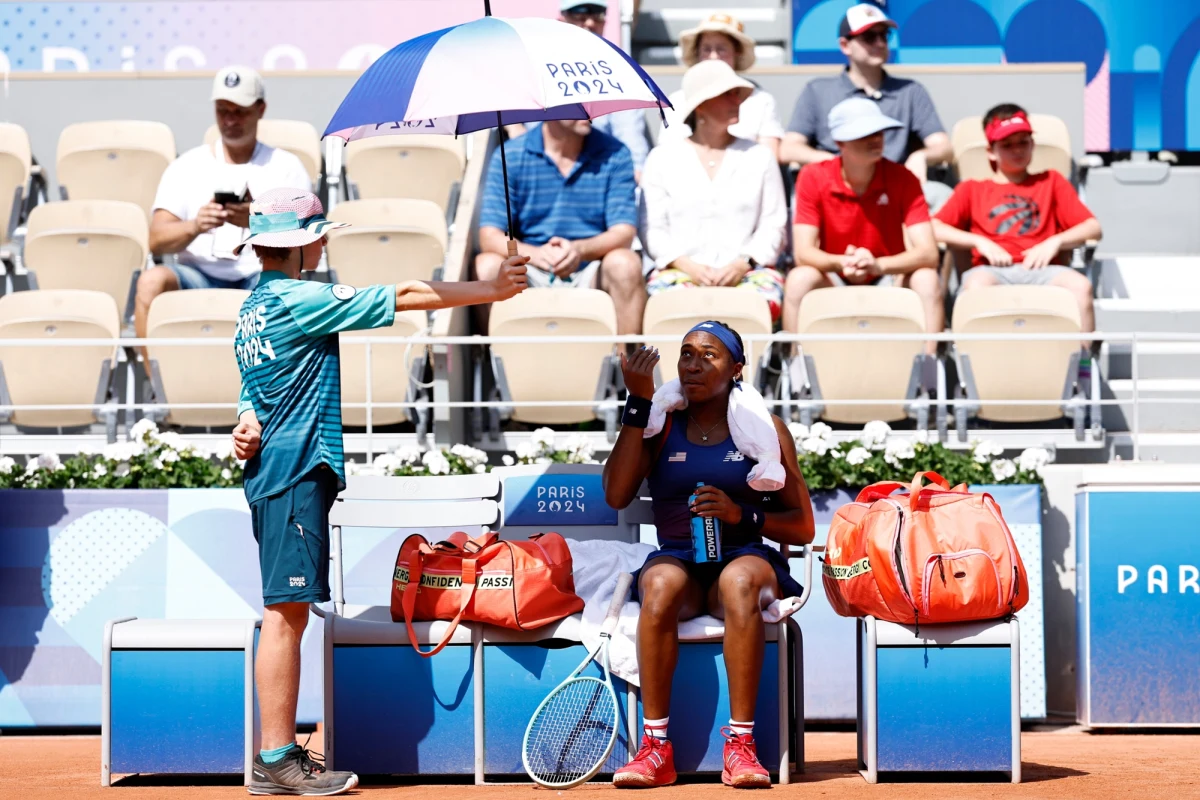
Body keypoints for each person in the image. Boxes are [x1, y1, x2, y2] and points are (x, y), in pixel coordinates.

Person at [230, 188, 527, 796]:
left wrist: (246, 417)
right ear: (302, 242)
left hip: (276, 470)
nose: (325, 240)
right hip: (294, 473)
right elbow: (409, 295)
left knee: (286, 613)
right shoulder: (302, 297)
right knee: (285, 616)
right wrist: (491, 292)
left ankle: (278, 755)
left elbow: (252, 382)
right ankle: (275, 759)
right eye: (319, 232)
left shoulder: (254, 303)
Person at [603, 322, 814, 789]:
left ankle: (741, 746)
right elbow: (617, 494)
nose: (693, 364)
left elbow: (802, 527)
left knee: (738, 582)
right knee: (658, 585)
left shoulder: (764, 428)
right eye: (686, 354)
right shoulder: (660, 423)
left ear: (736, 369)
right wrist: (638, 402)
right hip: (679, 560)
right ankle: (655, 747)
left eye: (709, 355)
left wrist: (743, 515)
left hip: (745, 556)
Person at [137, 65, 310, 368]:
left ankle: (270, 398)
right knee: (151, 281)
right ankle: (160, 394)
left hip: (259, 275)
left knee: (281, 286)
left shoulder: (286, 166)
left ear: (260, 110)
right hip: (197, 276)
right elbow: (156, 241)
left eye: (240, 111)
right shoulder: (186, 166)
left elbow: (307, 241)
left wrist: (256, 220)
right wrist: (195, 226)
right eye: (223, 111)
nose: (230, 120)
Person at [783, 97, 941, 347]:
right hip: (835, 274)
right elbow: (803, 253)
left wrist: (877, 265)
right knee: (799, 279)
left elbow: (929, 253)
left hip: (888, 276)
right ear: (839, 142)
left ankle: (929, 373)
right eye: (864, 133)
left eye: (878, 131)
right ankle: (795, 372)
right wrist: (841, 262)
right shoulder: (813, 177)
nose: (875, 139)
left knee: (927, 279)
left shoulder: (903, 178)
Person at [933, 104, 1101, 335]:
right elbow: (933, 228)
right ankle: (977, 366)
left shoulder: (1052, 181)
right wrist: (978, 241)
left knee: (1080, 286)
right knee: (975, 287)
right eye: (1007, 145)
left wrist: (1056, 242)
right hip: (991, 270)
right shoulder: (971, 189)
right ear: (991, 151)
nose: (1018, 151)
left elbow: (1092, 228)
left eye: (1023, 142)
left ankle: (1081, 365)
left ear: (1033, 144)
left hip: (1044, 271)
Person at [640, 61, 787, 322]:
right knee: (664, 305)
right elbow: (652, 228)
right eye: (726, 94)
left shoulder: (760, 156)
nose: (737, 101)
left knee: (761, 303)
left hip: (748, 272)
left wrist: (742, 263)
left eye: (737, 94)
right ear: (700, 105)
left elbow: (773, 224)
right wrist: (688, 266)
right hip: (679, 271)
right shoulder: (662, 158)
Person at [474, 119, 645, 334]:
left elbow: (624, 233)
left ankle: (627, 366)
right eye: (576, 101)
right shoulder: (510, 155)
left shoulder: (616, 153)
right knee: (487, 266)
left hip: (591, 270)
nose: (588, 110)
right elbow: (489, 236)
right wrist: (535, 255)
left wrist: (579, 250)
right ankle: (497, 363)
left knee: (625, 265)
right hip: (529, 270)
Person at [779, 3, 953, 209]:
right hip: (835, 186)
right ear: (845, 45)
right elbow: (788, 149)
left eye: (884, 36)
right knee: (804, 195)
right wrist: (834, 162)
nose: (879, 43)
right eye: (869, 37)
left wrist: (921, 156)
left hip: (894, 187)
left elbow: (944, 147)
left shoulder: (910, 91)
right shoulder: (817, 90)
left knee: (941, 196)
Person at [505, 2, 653, 179]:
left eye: (598, 14)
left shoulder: (622, 75)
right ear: (561, 20)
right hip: (534, 174)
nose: (590, 22)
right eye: (580, 13)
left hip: (601, 177)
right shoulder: (533, 66)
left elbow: (633, 153)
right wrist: (513, 126)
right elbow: (499, 96)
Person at [659, 12, 785, 162]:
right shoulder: (676, 100)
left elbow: (768, 159)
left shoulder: (762, 101)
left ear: (736, 53)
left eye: (721, 49)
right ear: (697, 52)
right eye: (706, 49)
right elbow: (666, 157)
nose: (713, 56)